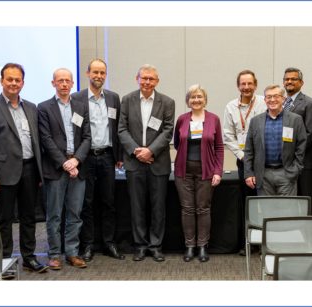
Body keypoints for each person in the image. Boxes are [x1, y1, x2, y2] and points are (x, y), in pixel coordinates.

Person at [0, 63, 48, 274]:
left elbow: (35, 140)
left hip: (29, 169)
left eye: (17, 80)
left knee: (29, 217)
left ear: (23, 83)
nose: (14, 83)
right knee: (5, 219)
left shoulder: (31, 107)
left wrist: (38, 170)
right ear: (1, 81)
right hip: (4, 172)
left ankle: (29, 257)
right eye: (9, 79)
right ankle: (6, 259)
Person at [118, 64, 175, 262]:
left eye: (151, 79)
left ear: (157, 81)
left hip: (158, 162)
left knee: (158, 207)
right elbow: (121, 130)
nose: (147, 82)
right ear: (137, 79)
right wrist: (137, 151)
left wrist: (150, 151)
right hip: (134, 163)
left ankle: (155, 245)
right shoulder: (127, 100)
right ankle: (140, 245)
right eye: (144, 78)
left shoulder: (167, 102)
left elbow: (168, 131)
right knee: (137, 206)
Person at [38, 68, 91, 269]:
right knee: (54, 215)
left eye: (67, 81)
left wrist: (76, 160)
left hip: (78, 168)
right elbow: (46, 140)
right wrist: (65, 163)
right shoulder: (44, 108)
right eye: (59, 81)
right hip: (56, 169)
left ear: (72, 83)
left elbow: (87, 137)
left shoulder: (80, 106)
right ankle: (54, 254)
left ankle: (72, 253)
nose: (64, 84)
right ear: (53, 83)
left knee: (75, 214)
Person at [73, 59, 125, 262]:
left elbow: (117, 129)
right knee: (86, 203)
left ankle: (109, 243)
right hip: (85, 158)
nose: (99, 76)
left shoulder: (113, 98)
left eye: (102, 72)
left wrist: (119, 156)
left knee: (109, 202)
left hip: (107, 157)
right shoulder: (76, 98)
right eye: (95, 72)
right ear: (87, 74)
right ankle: (88, 245)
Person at [174, 84, 224, 262]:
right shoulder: (181, 119)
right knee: (187, 209)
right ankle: (189, 246)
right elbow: (177, 143)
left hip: (206, 171)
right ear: (188, 101)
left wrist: (218, 171)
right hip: (183, 171)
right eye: (192, 97)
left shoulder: (213, 119)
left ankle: (202, 246)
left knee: (203, 209)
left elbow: (219, 147)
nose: (196, 100)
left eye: (199, 97)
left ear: (205, 100)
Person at [223, 69, 266, 256]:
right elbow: (228, 135)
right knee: (247, 202)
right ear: (238, 86)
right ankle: (248, 242)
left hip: (264, 160)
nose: (246, 87)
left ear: (255, 85)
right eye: (243, 84)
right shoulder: (230, 107)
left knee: (264, 201)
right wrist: (242, 155)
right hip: (243, 161)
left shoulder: (264, 103)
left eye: (250, 84)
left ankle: (265, 242)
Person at [244, 85, 307, 196]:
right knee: (266, 211)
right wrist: (249, 173)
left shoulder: (295, 120)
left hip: (286, 173)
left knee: (287, 210)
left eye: (276, 96)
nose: (272, 100)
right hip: (263, 174)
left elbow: (301, 147)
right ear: (265, 100)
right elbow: (249, 150)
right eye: (269, 97)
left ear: (283, 99)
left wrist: (295, 170)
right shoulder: (255, 121)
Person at [282, 67, 312, 205]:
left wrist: (289, 153)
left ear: (301, 82)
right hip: (285, 163)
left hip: (303, 162)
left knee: (306, 200)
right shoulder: (281, 103)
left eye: (294, 79)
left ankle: (309, 227)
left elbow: (309, 135)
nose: (289, 81)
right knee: (289, 201)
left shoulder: (310, 103)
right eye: (287, 79)